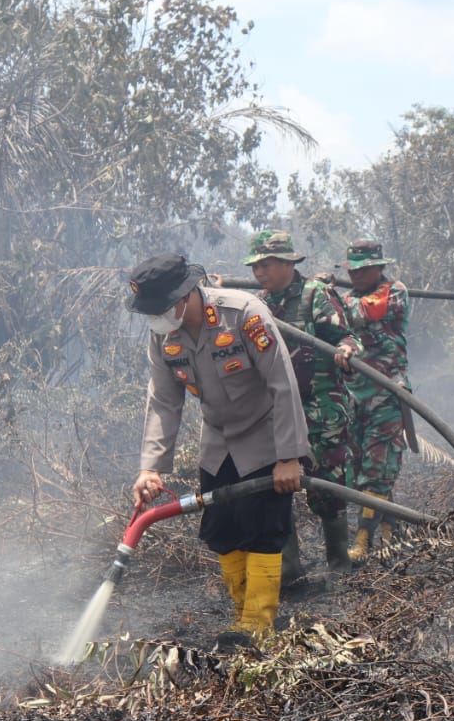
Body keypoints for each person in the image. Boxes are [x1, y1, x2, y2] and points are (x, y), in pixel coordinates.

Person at [128, 253, 309, 645]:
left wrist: (290, 456)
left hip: (266, 435)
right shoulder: (164, 335)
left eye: (159, 309)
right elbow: (163, 400)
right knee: (223, 529)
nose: (155, 319)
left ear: (184, 296)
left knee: (264, 529)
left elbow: (282, 383)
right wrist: (151, 467)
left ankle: (259, 626)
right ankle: (241, 616)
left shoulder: (243, 314)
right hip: (219, 440)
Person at [241, 230, 361, 582]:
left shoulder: (316, 296)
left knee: (328, 487)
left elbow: (347, 337)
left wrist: (349, 352)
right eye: (255, 266)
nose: (259, 272)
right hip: (278, 413)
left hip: (322, 410)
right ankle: (291, 573)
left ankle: (339, 567)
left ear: (288, 262)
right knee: (278, 487)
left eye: (266, 264)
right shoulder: (257, 304)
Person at [338, 240, 411, 561]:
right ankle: (390, 532)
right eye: (352, 270)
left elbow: (360, 313)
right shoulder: (348, 296)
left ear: (379, 267)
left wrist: (327, 296)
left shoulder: (393, 291)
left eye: (363, 269)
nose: (356, 275)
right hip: (355, 397)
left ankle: (363, 540)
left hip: (387, 395)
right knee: (362, 469)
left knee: (375, 470)